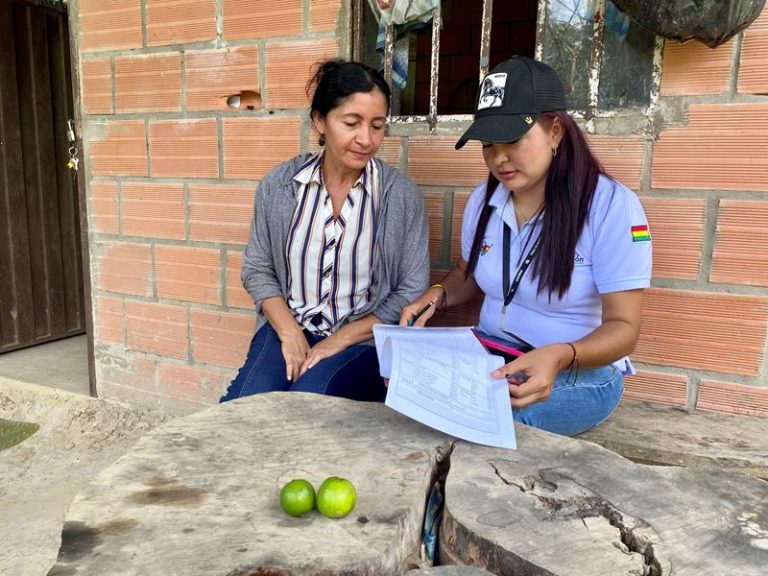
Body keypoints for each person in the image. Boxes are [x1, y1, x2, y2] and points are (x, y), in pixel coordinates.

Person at [400, 56, 652, 436]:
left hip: (576, 368)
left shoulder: (610, 207)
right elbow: (467, 275)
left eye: (513, 140)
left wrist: (560, 354)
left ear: (554, 131)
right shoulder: (484, 201)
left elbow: (624, 328)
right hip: (491, 353)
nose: (499, 158)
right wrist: (437, 295)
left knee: (492, 416)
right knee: (405, 386)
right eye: (488, 144)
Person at [221, 60, 429, 403]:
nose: (366, 139)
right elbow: (257, 269)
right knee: (242, 408)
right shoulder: (279, 187)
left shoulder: (400, 198)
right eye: (352, 123)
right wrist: (289, 333)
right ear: (320, 120)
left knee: (309, 403)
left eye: (377, 126)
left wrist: (340, 339)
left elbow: (410, 289)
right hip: (289, 326)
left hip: (364, 340)